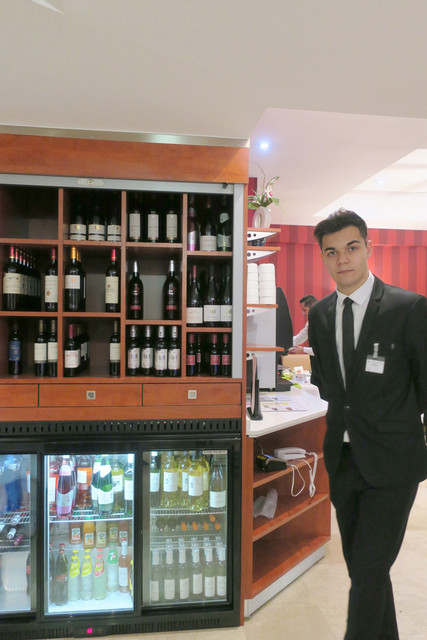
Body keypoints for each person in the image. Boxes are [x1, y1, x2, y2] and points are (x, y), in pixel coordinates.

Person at [308, 208, 427, 640]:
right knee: (365, 570)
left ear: (368, 248)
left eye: (352, 247)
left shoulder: (407, 307)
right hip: (343, 460)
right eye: (332, 251)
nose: (343, 259)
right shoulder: (320, 314)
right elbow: (327, 383)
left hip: (393, 463)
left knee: (369, 572)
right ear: (324, 257)